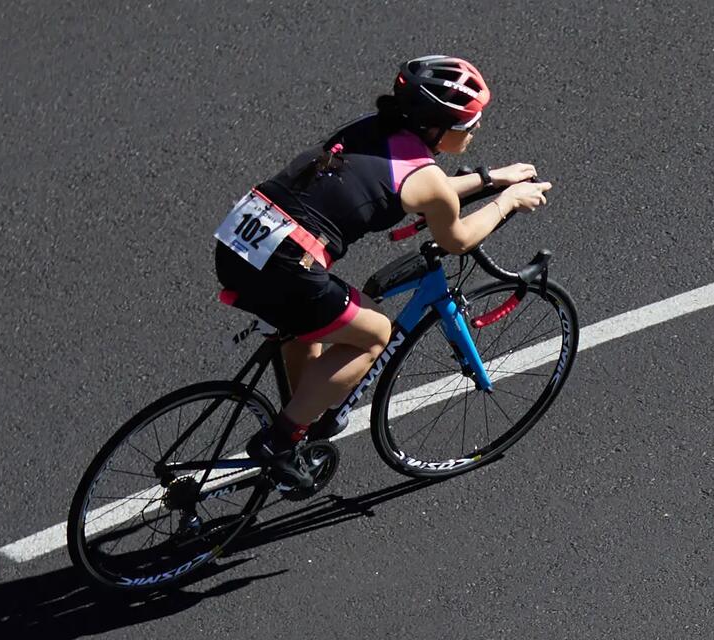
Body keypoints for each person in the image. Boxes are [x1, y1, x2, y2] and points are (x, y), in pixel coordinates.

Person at [211, 55, 553, 489]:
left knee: (308, 325)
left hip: (241, 238)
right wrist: (508, 201)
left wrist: (490, 178)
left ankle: (302, 418)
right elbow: (458, 239)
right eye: (469, 122)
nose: (477, 128)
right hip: (286, 265)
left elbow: (423, 187)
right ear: (436, 127)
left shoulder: (370, 127)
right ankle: (280, 441)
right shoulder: (427, 179)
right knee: (375, 332)